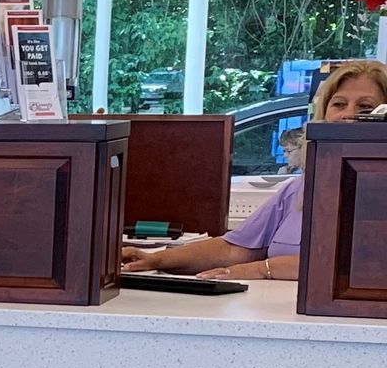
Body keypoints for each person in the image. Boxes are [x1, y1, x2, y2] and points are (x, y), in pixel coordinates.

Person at [120, 59, 387, 282]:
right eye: (339, 104)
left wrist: (264, 269)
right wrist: (156, 259)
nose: (347, 115)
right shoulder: (301, 188)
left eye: (365, 107)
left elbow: (358, 266)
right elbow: (235, 248)